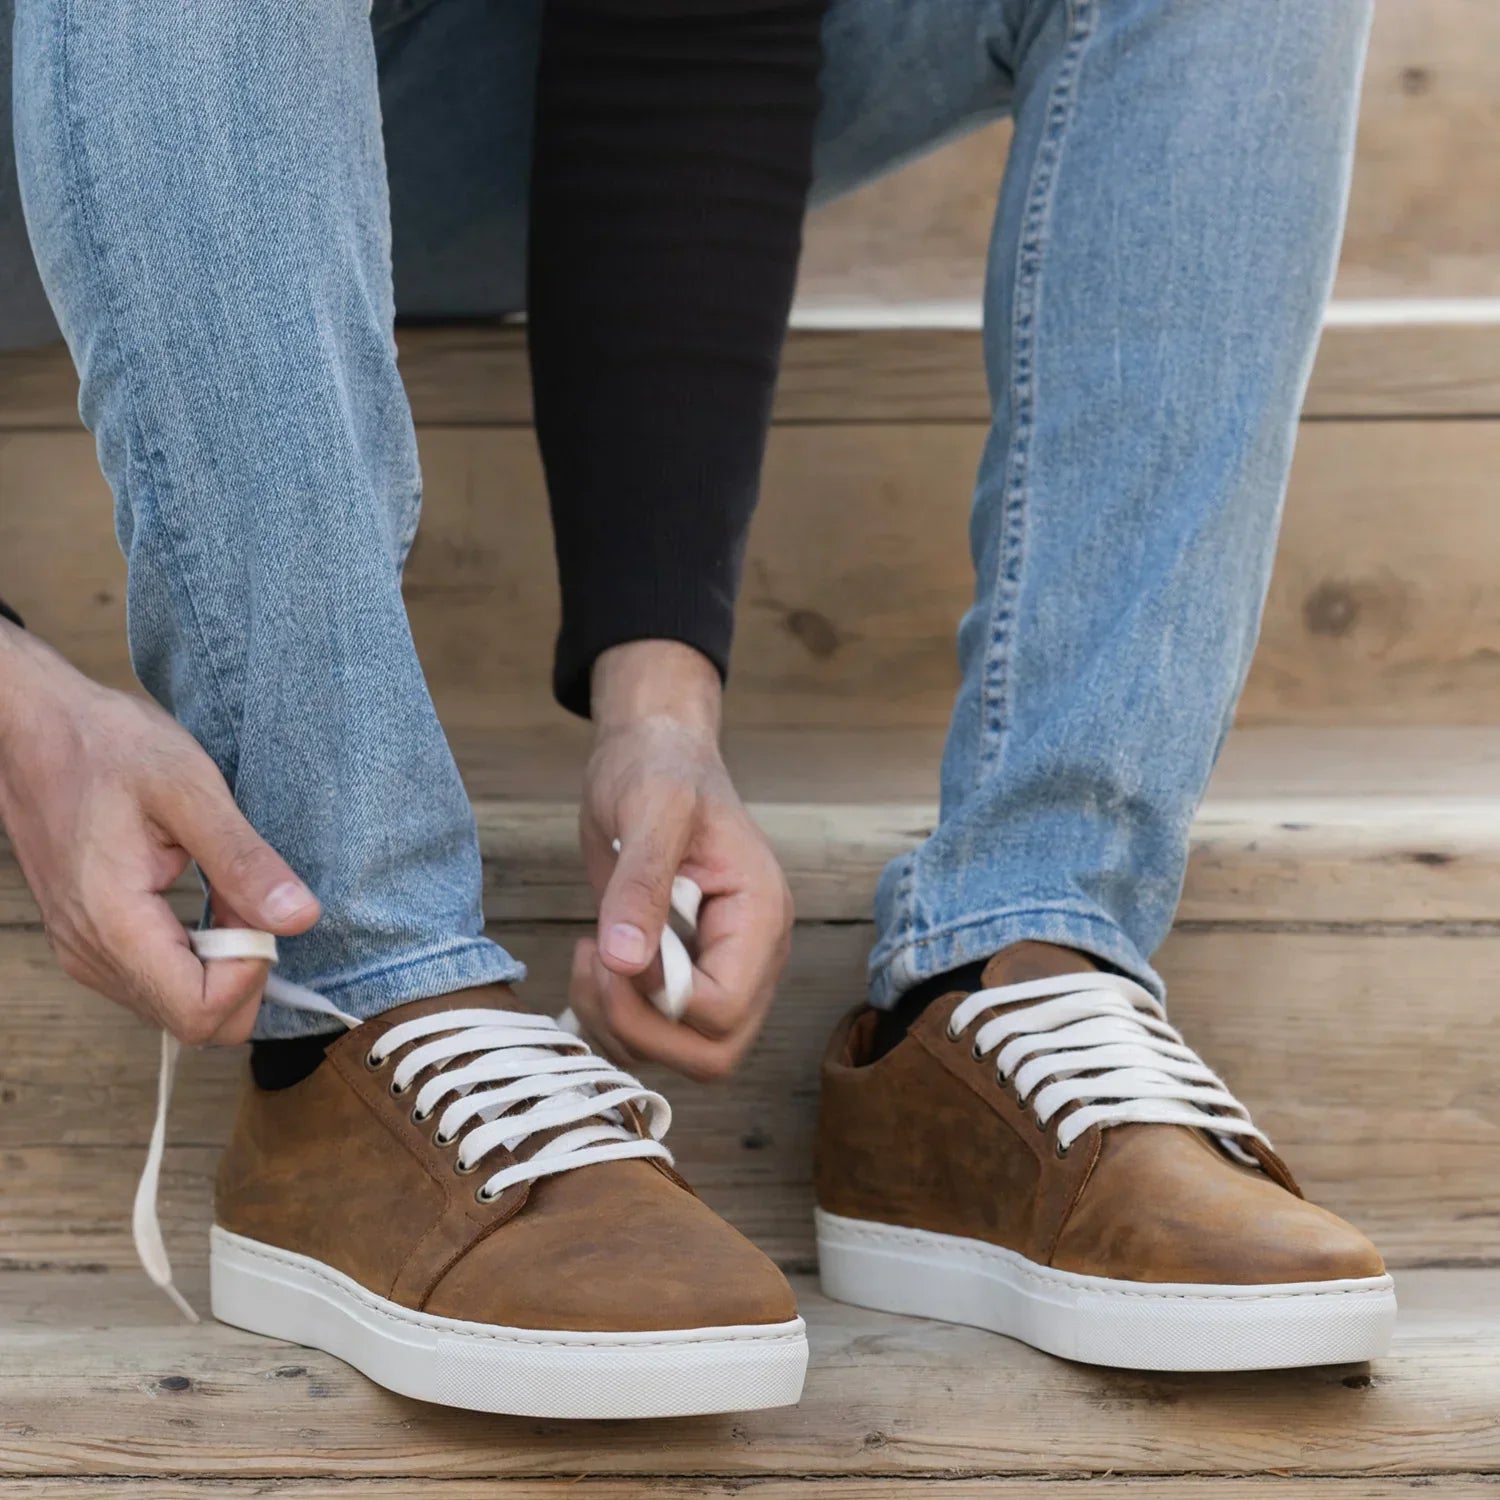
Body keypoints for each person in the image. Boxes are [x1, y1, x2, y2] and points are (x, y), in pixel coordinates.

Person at [0, 0, 1390, 1417]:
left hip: (397, 115)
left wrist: (659, 702)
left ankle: (1018, 975)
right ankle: (355, 1000)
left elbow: (685, 25)